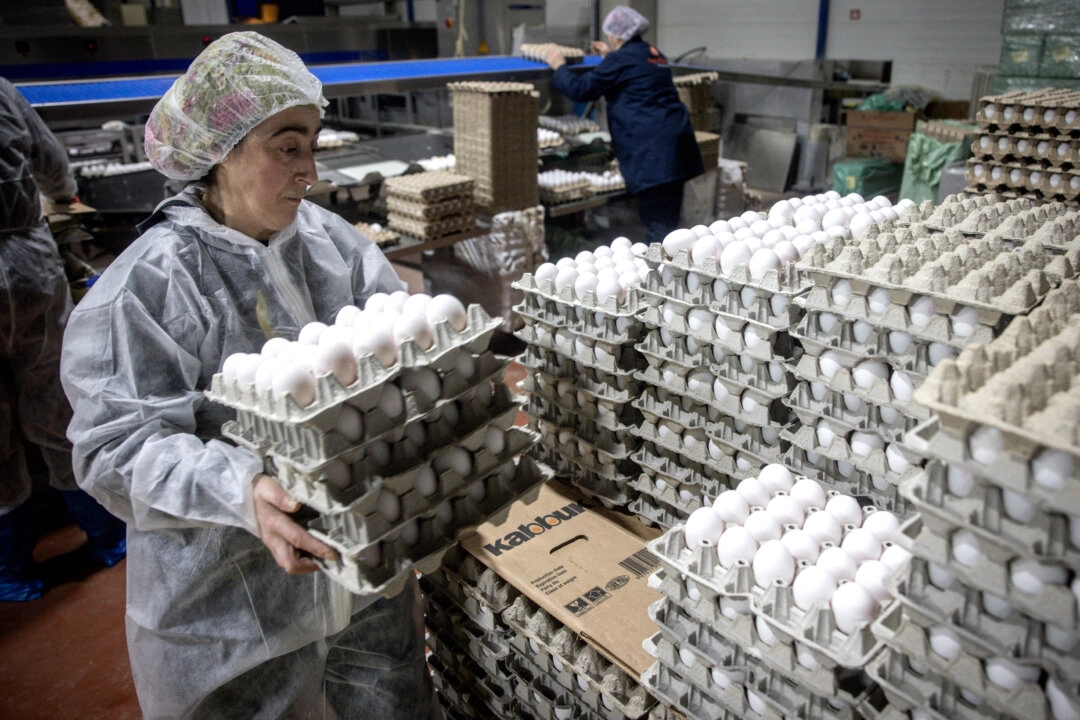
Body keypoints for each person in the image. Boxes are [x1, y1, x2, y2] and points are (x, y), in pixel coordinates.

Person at [60, 32, 435, 719]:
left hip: (363, 573)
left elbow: (402, 350)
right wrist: (242, 489)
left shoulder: (336, 248)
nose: (310, 172)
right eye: (287, 147)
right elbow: (116, 447)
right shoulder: (147, 289)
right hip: (230, 610)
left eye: (314, 146)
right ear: (217, 151)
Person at [0, 76, 126, 602]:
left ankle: (11, 569)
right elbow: (50, 161)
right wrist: (60, 198)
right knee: (58, 407)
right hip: (27, 264)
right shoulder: (2, 91)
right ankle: (105, 536)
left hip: (26, 258)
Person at [546, 6, 704, 245]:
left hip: (654, 153)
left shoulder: (621, 60)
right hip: (675, 145)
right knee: (669, 218)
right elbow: (633, 74)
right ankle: (671, 264)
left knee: (659, 225)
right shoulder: (653, 53)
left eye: (610, 34)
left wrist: (558, 66)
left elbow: (581, 90)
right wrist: (610, 57)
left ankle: (661, 275)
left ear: (618, 35)